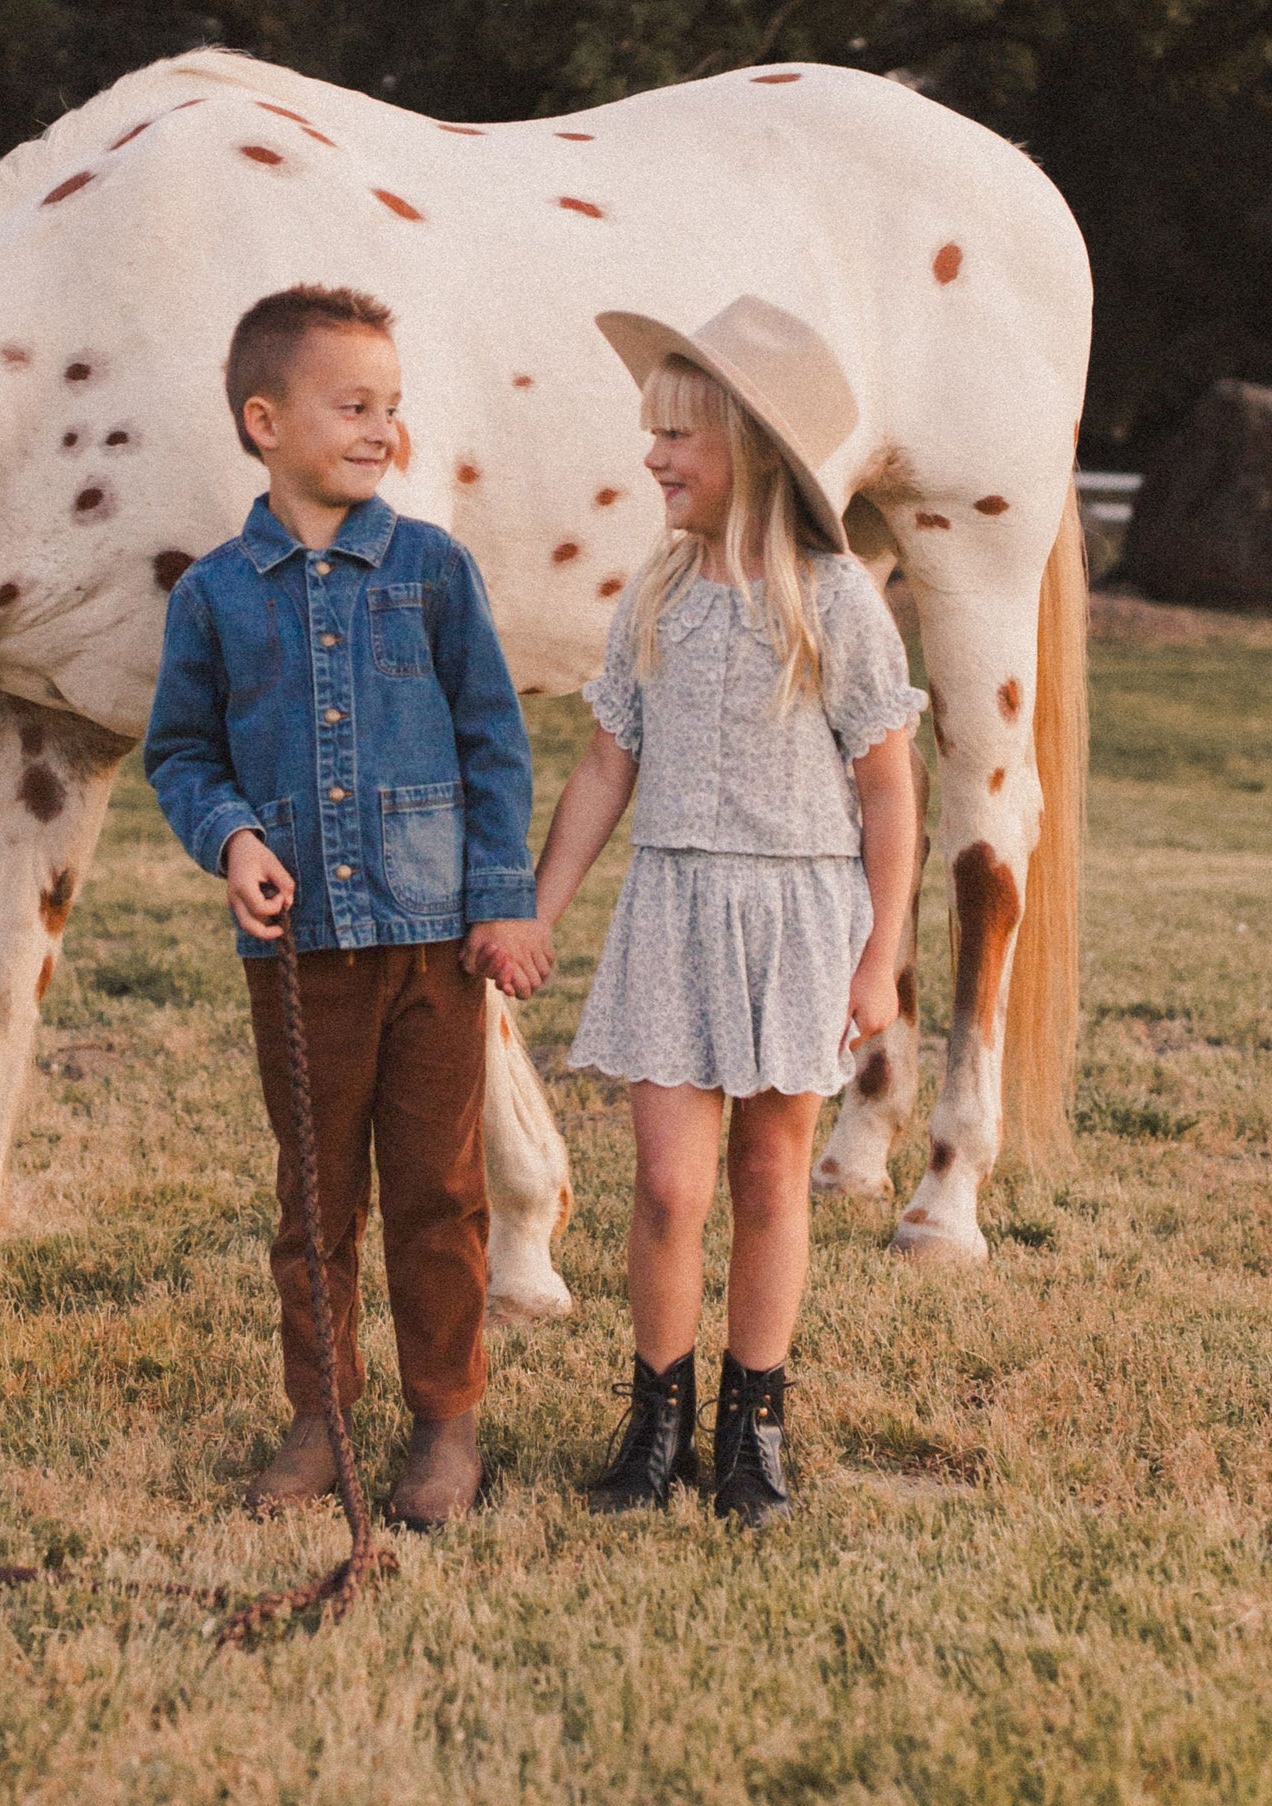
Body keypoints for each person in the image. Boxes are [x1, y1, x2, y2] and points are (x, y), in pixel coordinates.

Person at [144, 284, 552, 1529]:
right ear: (264, 422)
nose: (382, 428)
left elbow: (493, 741)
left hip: (433, 945)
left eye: (392, 407)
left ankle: (445, 1422)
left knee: (437, 1190)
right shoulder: (215, 594)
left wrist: (503, 902)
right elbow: (181, 753)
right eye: (352, 405)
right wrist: (233, 838)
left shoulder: (428, 569)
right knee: (314, 1196)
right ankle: (319, 1417)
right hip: (298, 950)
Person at [532, 297, 924, 1526]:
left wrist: (880, 956)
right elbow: (605, 763)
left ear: (750, 451)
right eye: (652, 435)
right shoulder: (652, 594)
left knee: (770, 1174)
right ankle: (655, 1423)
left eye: (677, 439)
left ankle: (753, 1427)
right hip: (672, 906)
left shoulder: (833, 599)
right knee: (666, 1187)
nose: (652, 458)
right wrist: (538, 909)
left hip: (798, 913)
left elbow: (885, 789)